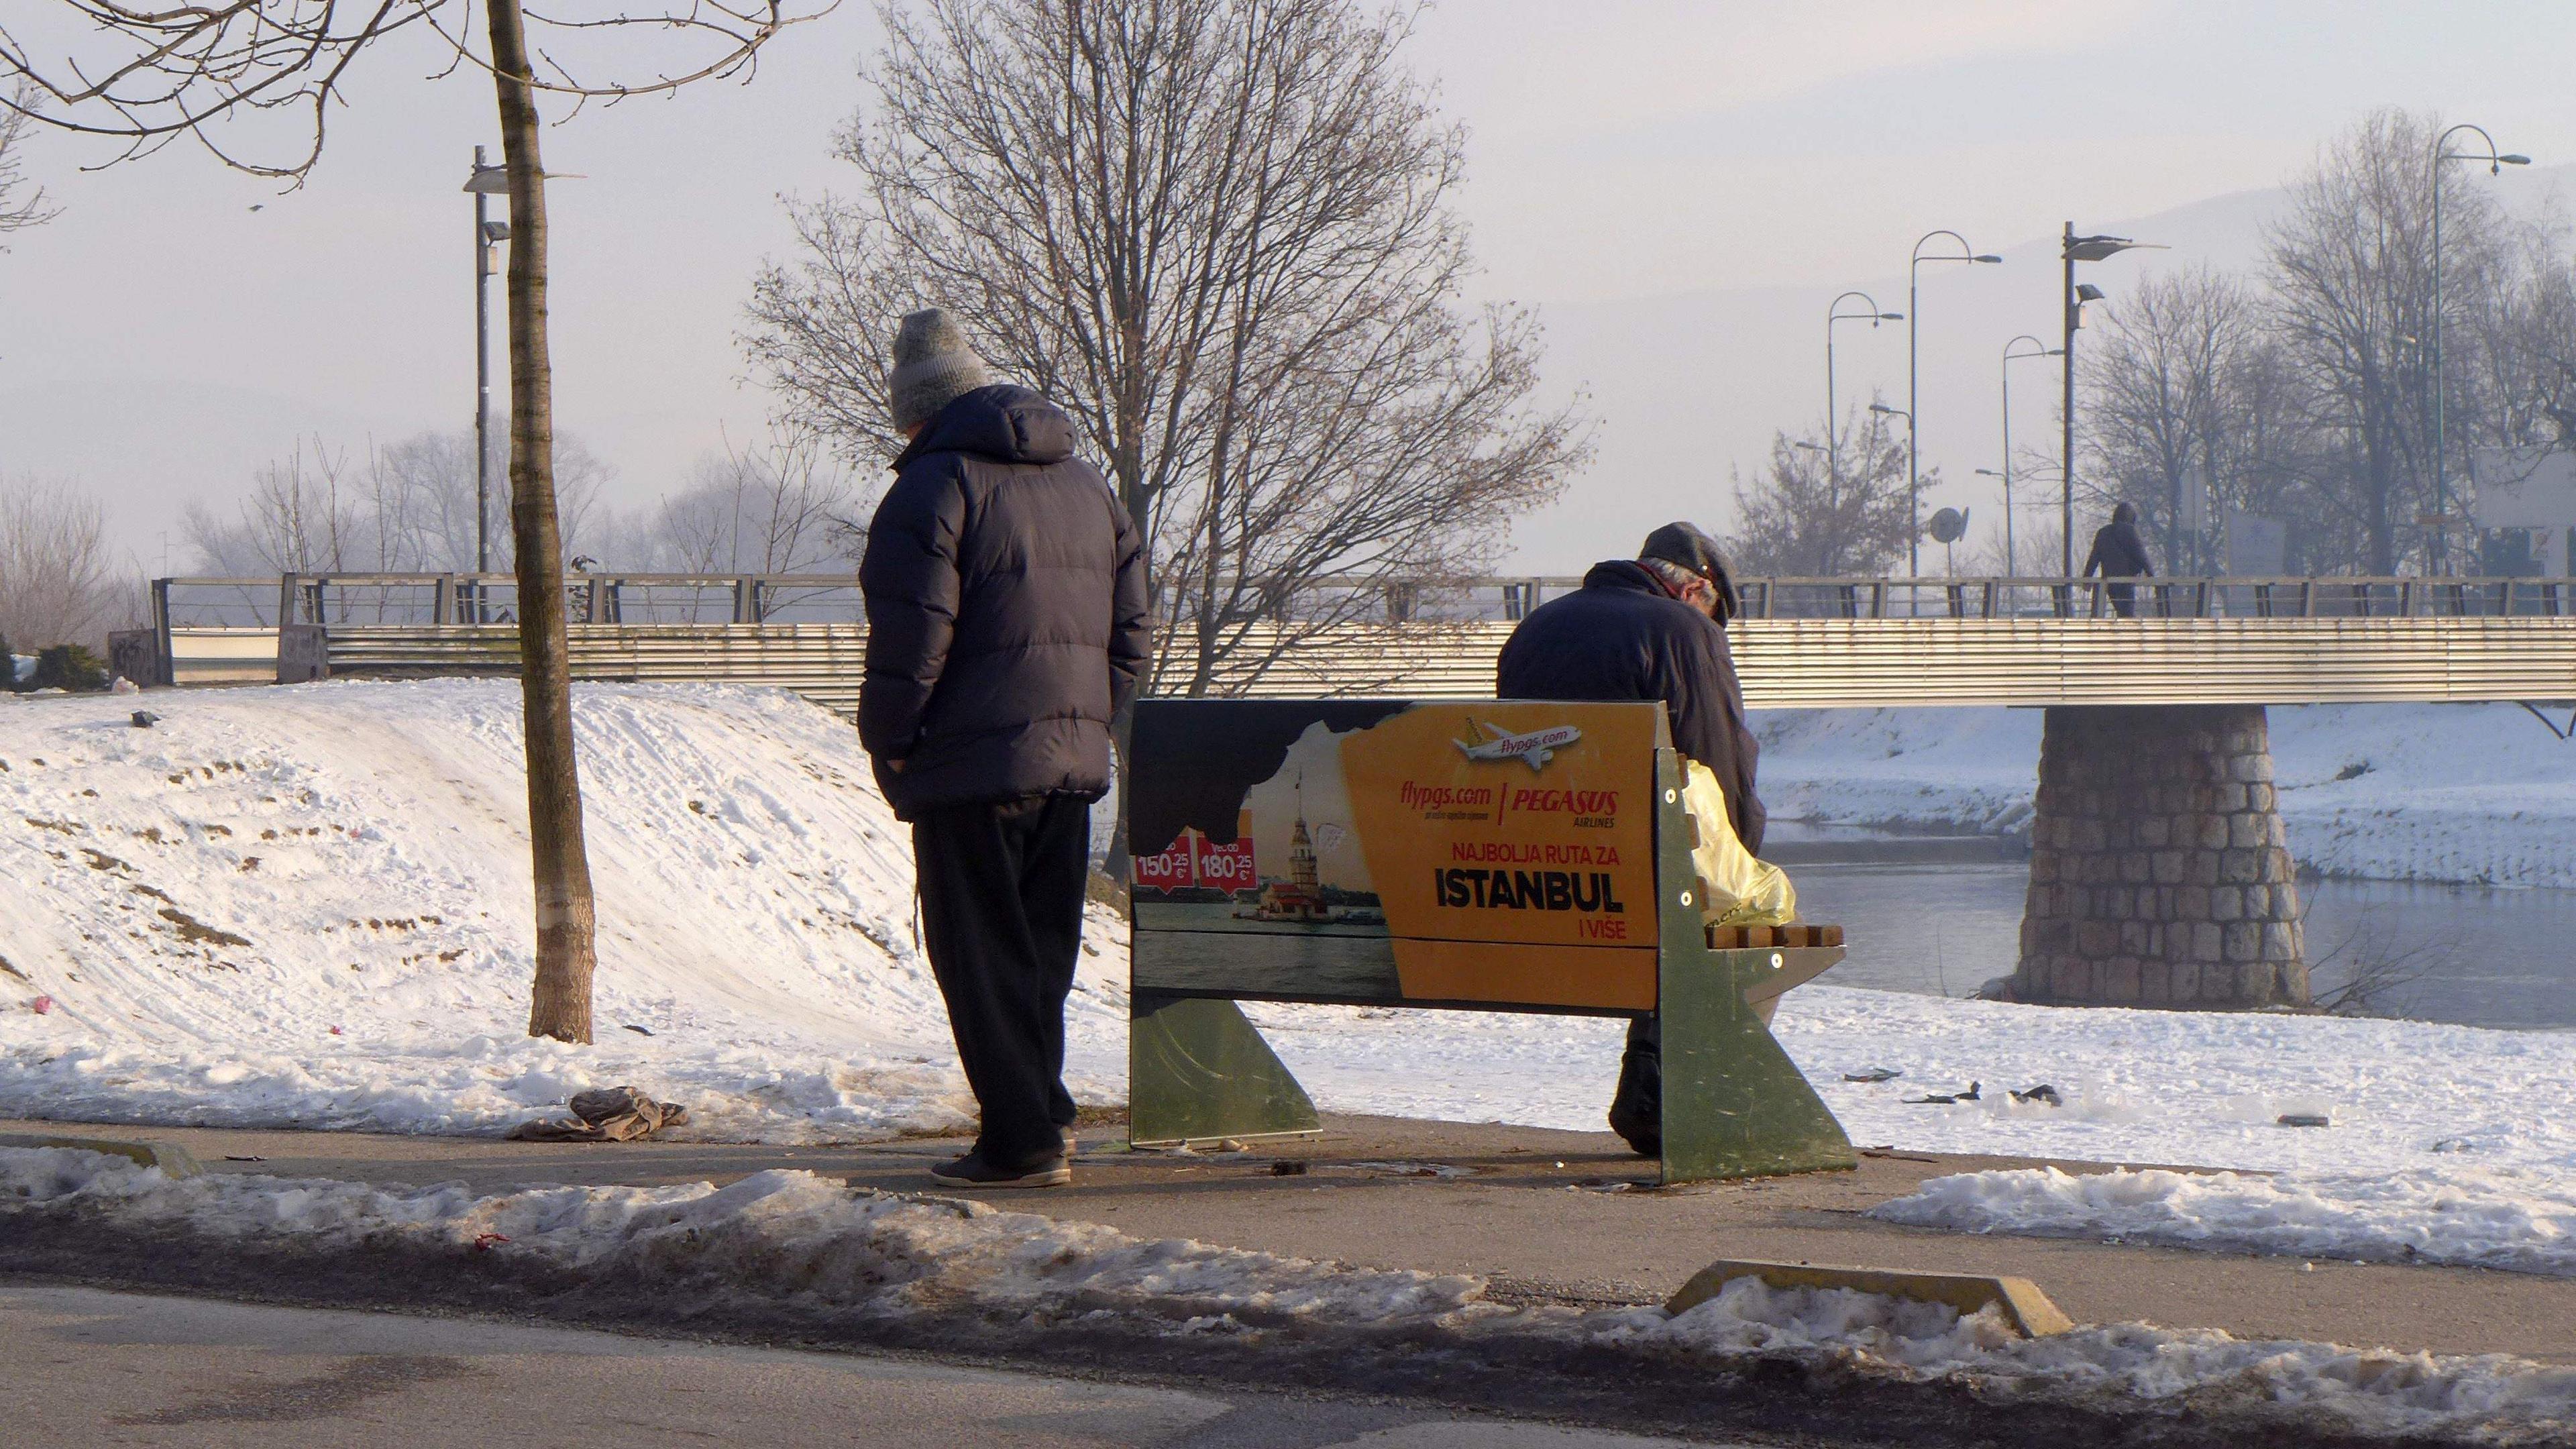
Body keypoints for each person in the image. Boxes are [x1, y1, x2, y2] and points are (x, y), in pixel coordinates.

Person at [858, 308, 1150, 1189]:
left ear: (922, 408)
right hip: (1068, 764)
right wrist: (1091, 718)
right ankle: (1043, 1119)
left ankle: (1021, 1139)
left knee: (980, 956)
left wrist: (893, 741)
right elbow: (1134, 629)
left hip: (969, 765)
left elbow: (913, 637)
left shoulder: (934, 486)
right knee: (1039, 953)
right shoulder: (1088, 486)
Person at [1494, 522, 1762, 1158]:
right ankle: (1684, 1093)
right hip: (1638, 880)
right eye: (1717, 615)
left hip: (1535, 881)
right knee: (1751, 914)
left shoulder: (1538, 626)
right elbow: (1723, 772)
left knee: (1670, 901)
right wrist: (1748, 861)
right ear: (1699, 589)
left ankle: (1654, 1073)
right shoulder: (1684, 634)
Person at [2082, 500, 2155, 618]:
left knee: (2120, 610)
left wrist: (2087, 579)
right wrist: (2151, 575)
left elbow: (2094, 558)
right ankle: (2127, 632)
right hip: (2126, 579)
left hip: (2109, 580)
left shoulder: (2103, 533)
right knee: (2127, 613)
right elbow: (2141, 555)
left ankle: (2120, 629)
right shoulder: (2130, 531)